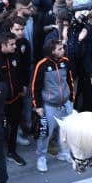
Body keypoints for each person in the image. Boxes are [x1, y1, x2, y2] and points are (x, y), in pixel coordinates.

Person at [30, 39, 74, 173]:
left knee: (65, 131)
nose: (63, 50)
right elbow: (35, 87)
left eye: (62, 48)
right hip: (49, 105)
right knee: (46, 133)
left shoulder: (65, 62)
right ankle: (41, 157)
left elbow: (70, 80)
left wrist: (71, 99)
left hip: (65, 103)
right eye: (60, 49)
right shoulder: (42, 65)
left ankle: (63, 152)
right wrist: (37, 106)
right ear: (52, 51)